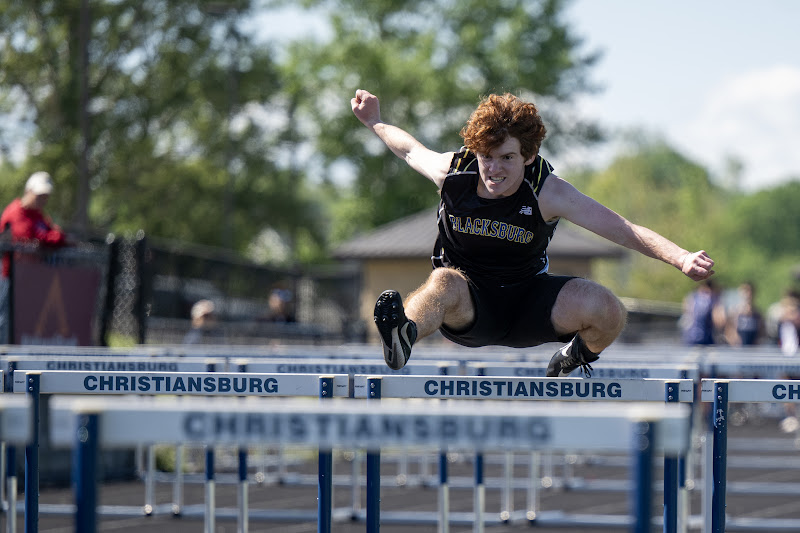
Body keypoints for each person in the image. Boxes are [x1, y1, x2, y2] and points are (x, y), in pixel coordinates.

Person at [350, 89, 715, 376]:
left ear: (528, 155)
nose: (494, 169)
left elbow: (623, 230)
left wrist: (680, 257)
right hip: (470, 306)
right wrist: (375, 122)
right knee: (444, 280)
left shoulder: (549, 191)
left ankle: (577, 355)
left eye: (507, 158)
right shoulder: (453, 172)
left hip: (530, 303)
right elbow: (409, 150)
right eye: (486, 157)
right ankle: (405, 335)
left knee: (607, 307)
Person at [0, 171, 69, 344]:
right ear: (29, 191)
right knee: (5, 321)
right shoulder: (16, 212)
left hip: (30, 278)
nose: (43, 200)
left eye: (46, 196)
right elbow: (27, 237)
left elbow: (55, 235)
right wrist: (51, 237)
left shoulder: (38, 215)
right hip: (10, 278)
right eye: (39, 195)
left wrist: (52, 237)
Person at [680, 280, 726, 346]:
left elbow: (686, 312)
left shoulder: (692, 297)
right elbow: (719, 321)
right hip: (705, 336)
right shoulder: (712, 299)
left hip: (690, 336)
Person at [726, 281, 763, 346]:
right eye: (745, 291)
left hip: (752, 347)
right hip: (738, 346)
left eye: (750, 291)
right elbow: (728, 328)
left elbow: (761, 330)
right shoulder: (734, 311)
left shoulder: (757, 313)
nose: (748, 294)